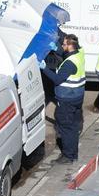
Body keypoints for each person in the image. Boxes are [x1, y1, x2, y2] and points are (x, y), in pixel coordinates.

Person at [39, 34, 85, 164]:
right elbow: (65, 54)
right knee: (73, 127)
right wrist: (56, 49)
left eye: (64, 44)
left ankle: (68, 156)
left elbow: (57, 79)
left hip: (67, 99)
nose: (62, 46)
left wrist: (45, 68)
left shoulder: (69, 64)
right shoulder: (79, 53)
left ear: (70, 45)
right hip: (77, 97)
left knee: (65, 128)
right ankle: (73, 153)